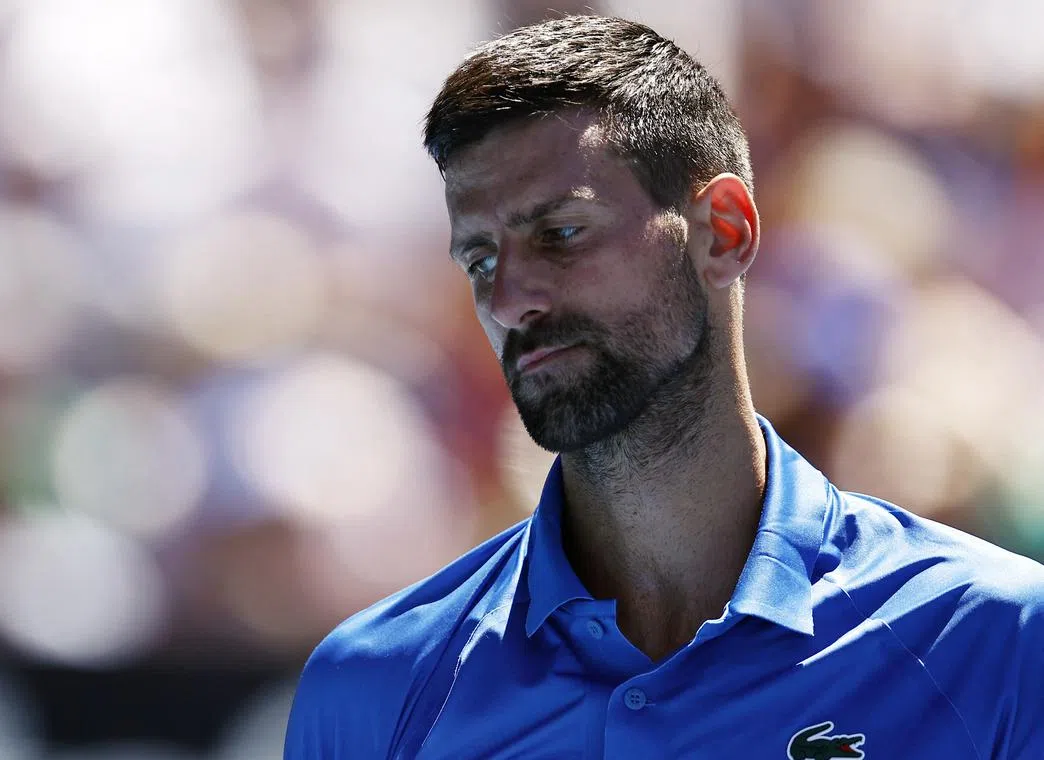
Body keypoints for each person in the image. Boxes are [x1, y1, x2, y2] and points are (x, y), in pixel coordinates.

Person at [284, 15, 1044, 758]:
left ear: (724, 231)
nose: (509, 300)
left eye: (561, 234)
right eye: (481, 260)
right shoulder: (374, 688)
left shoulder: (999, 641)